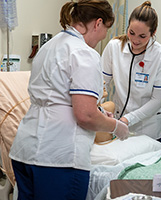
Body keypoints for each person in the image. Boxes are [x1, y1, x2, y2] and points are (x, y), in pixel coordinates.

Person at [9, 1, 129, 199]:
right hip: (58, 157)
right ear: (98, 23)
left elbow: (57, 97)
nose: (102, 38)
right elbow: (85, 115)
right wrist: (116, 127)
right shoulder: (84, 53)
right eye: (105, 31)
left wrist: (98, 112)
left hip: (25, 150)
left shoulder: (49, 47)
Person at [102, 1, 161, 141]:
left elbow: (157, 100)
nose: (135, 40)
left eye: (142, 36)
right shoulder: (114, 47)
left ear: (153, 32)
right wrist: (98, 109)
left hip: (149, 129)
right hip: (118, 123)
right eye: (131, 33)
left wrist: (128, 119)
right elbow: (101, 83)